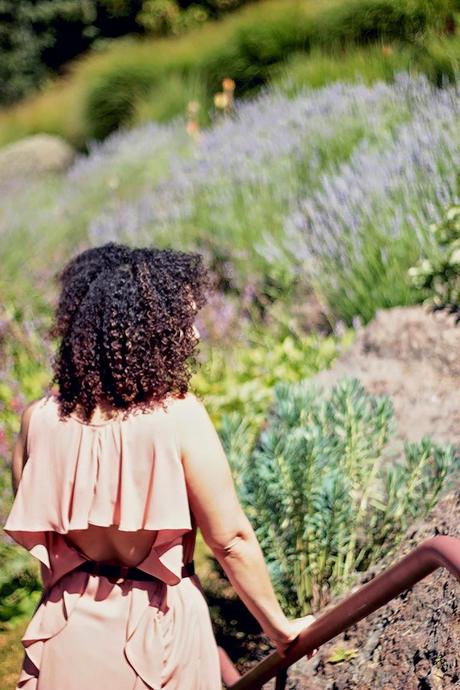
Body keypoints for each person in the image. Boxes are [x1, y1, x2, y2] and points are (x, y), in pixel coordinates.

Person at [3, 242, 316, 690]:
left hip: (65, 633)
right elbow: (230, 542)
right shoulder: (179, 417)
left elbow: (47, 554)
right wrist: (280, 629)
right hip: (161, 630)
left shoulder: (37, 420)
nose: (193, 336)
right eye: (182, 321)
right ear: (148, 331)